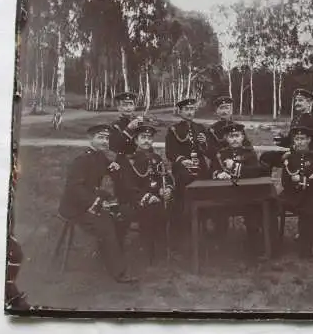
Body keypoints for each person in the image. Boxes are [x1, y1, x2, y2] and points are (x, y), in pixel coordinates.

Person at [58, 124, 137, 283]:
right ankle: (118, 272)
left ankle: (107, 257)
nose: (104, 141)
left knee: (123, 215)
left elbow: (105, 170)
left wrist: (113, 167)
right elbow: (74, 189)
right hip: (75, 207)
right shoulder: (81, 160)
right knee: (105, 224)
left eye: (107, 138)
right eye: (100, 137)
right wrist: (96, 202)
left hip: (91, 201)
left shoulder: (100, 156)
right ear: (90, 139)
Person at [210, 122, 270, 257]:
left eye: (237, 135)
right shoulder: (221, 154)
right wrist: (219, 174)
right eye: (231, 136)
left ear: (243, 137)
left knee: (253, 217)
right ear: (226, 138)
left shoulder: (249, 153)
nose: (235, 139)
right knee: (218, 214)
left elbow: (255, 171)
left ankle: (253, 248)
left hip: (246, 195)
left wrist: (236, 166)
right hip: (226, 196)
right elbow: (212, 171)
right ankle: (220, 248)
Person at [118, 124, 174, 263]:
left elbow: (164, 177)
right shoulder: (129, 160)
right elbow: (128, 186)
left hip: (156, 197)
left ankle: (165, 248)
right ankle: (148, 252)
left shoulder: (157, 158)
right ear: (136, 141)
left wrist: (166, 189)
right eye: (143, 137)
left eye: (149, 138)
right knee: (151, 210)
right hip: (135, 200)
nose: (147, 141)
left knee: (173, 205)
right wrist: (147, 197)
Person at [280, 126, 313, 259]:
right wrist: (308, 179)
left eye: (303, 139)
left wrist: (301, 180)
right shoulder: (289, 158)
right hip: (293, 194)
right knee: (304, 209)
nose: (300, 142)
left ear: (309, 140)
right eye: (297, 139)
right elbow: (286, 182)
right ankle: (304, 246)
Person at [165, 98, 210, 247]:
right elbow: (169, 152)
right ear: (180, 112)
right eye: (186, 110)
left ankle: (204, 220)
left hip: (200, 166)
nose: (190, 112)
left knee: (208, 183)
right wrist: (182, 160)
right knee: (185, 185)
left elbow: (207, 151)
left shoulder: (201, 128)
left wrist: (204, 143)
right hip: (182, 167)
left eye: (192, 109)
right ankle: (185, 224)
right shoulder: (173, 129)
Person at [260, 88, 313, 171]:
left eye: (300, 101)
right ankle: (265, 181)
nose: (297, 103)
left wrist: (291, 154)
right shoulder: (295, 119)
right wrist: (280, 138)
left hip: (306, 156)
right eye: (296, 100)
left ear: (309, 103)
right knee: (266, 157)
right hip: (293, 153)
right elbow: (291, 141)